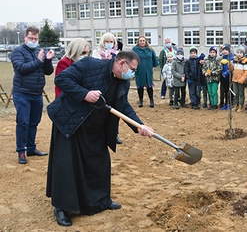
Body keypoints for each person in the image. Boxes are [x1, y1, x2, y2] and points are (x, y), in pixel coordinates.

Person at [46, 50, 154, 227]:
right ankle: (62, 208)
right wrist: (85, 94)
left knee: (99, 163)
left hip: (95, 127)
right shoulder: (89, 64)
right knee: (67, 166)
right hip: (70, 122)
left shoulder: (122, 83)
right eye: (132, 69)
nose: (132, 74)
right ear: (122, 64)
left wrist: (139, 126)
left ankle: (100, 200)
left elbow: (123, 106)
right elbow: (61, 79)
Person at [10, 26, 54, 164]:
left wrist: (47, 60)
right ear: (25, 38)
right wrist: (39, 61)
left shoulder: (38, 52)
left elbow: (48, 72)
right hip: (22, 93)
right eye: (31, 38)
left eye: (36, 38)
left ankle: (31, 147)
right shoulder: (17, 52)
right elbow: (22, 69)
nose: (34, 41)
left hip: (37, 93)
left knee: (34, 122)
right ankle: (21, 151)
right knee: (23, 122)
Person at [93, 33, 123, 144]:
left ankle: (114, 134)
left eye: (111, 42)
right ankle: (100, 135)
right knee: (101, 111)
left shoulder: (118, 54)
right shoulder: (97, 53)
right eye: (107, 41)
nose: (109, 44)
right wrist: (107, 61)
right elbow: (96, 67)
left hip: (115, 85)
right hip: (101, 85)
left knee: (115, 111)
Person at [132, 36, 159, 108]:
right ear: (138, 42)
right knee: (140, 85)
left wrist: (154, 66)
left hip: (148, 69)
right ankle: (140, 100)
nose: (142, 42)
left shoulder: (150, 49)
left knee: (149, 85)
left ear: (145, 41)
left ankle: (151, 100)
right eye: (140, 41)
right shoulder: (135, 49)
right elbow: (131, 58)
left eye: (143, 40)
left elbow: (154, 58)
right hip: (139, 69)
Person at [232, 45, 247, 112]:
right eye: (238, 52)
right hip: (235, 79)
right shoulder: (234, 60)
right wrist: (229, 64)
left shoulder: (246, 61)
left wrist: (242, 80)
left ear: (243, 53)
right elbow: (232, 69)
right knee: (235, 93)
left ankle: (241, 106)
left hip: (241, 81)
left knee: (241, 94)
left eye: (241, 53)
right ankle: (236, 105)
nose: (239, 54)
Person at [219, 44, 234, 110]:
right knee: (223, 91)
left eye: (226, 50)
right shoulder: (222, 57)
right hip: (222, 77)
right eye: (223, 50)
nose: (224, 51)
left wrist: (226, 73)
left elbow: (231, 68)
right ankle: (224, 103)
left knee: (229, 91)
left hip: (229, 77)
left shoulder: (231, 58)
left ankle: (229, 103)